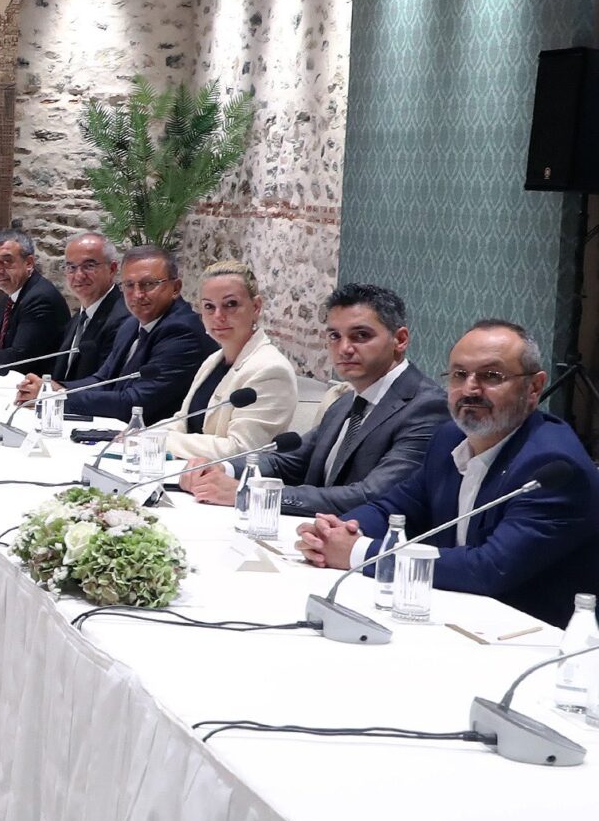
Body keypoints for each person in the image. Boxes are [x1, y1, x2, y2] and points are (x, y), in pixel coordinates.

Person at [298, 320, 599, 626]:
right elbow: (394, 508)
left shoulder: (553, 467)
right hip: (455, 615)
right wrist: (337, 532)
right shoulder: (449, 438)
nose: (470, 389)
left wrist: (359, 551)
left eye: (491, 376)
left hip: (532, 635)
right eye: (459, 375)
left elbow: (488, 568)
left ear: (533, 387)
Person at [181, 283, 446, 516]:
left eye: (361, 336)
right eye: (335, 336)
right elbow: (286, 461)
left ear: (400, 340)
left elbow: (370, 496)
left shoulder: (425, 408)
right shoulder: (346, 402)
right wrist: (222, 469)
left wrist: (251, 493)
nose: (344, 348)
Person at [18, 245, 212, 423]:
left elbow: (134, 403)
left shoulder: (182, 332)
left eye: (148, 284)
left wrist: (55, 397)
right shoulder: (132, 323)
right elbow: (103, 380)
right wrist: (53, 387)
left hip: (156, 439)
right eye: (129, 285)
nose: (137, 294)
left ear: (175, 288)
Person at [161, 260, 301, 463]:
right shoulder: (212, 361)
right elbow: (182, 422)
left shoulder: (271, 370)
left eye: (231, 304)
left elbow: (241, 450)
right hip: (189, 472)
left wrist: (163, 440)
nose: (218, 316)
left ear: (256, 307)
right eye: (209, 307)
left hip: (235, 480)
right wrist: (139, 435)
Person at [0, 229, 67, 372]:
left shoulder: (40, 299)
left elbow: (16, 360)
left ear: (29, 263)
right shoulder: (9, 296)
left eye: (6, 261)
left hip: (37, 383)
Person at [56, 232, 127, 383]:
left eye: (89, 266)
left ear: (112, 269)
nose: (79, 275)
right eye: (71, 267)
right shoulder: (78, 318)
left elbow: (105, 382)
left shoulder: (122, 319)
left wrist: (57, 389)